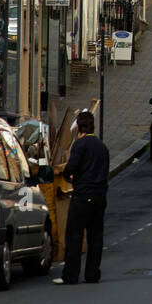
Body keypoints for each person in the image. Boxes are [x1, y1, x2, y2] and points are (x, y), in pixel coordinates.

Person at [54, 111, 109, 285]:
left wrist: (69, 176)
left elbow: (71, 168)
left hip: (82, 195)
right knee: (95, 237)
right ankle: (92, 274)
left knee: (74, 236)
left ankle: (71, 275)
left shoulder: (80, 144)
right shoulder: (102, 146)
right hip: (100, 196)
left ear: (78, 126)